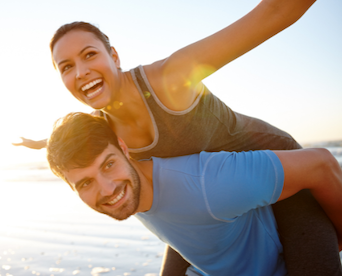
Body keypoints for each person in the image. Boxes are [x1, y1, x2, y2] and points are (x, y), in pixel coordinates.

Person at [13, 0, 342, 275]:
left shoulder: (171, 79)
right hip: (209, 201)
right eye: (66, 67)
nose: (80, 72)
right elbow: (74, 142)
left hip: (276, 164)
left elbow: (274, 12)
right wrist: (40, 143)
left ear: (114, 55)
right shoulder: (104, 129)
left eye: (89, 55)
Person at [46, 112, 342, 276]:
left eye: (108, 164)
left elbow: (320, 164)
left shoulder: (208, 183)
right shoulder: (129, 189)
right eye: (85, 183)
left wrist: (338, 239)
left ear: (124, 149)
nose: (107, 189)